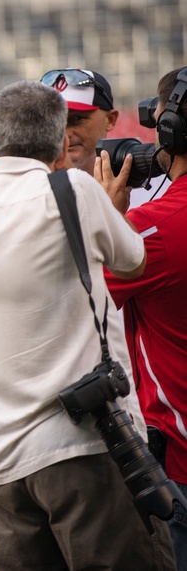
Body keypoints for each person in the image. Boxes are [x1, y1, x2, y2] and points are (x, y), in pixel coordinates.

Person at [0, 80, 175, 570]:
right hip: (86, 444)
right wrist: (108, 203)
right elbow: (133, 259)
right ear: (62, 145)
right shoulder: (76, 189)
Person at [103, 66, 187, 570]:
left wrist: (106, 217)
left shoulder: (157, 224)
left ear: (172, 127)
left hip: (178, 457)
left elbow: (78, 295)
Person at [40, 66, 167, 205]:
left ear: (110, 119)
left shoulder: (157, 187)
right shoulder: (28, 189)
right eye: (53, 122)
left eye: (76, 119)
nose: (64, 133)